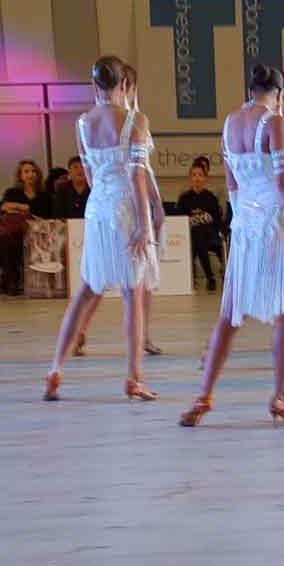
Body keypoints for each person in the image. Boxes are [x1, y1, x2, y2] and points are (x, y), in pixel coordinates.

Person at [181, 65, 284, 428]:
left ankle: (204, 394)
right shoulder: (275, 122)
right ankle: (282, 397)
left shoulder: (230, 122)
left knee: (230, 314)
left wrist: (243, 220)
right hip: (275, 223)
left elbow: (232, 183)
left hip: (245, 224)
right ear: (279, 92)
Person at [43, 57, 163, 403]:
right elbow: (137, 175)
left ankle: (55, 368)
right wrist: (145, 223)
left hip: (97, 209)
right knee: (132, 295)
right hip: (126, 208)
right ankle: (134, 377)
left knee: (85, 290)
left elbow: (90, 174)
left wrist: (105, 198)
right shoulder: (135, 120)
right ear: (124, 85)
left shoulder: (83, 123)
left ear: (95, 85)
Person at [0, 160, 42, 296]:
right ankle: (11, 280)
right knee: (8, 241)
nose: (31, 174)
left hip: (38, 232)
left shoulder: (43, 195)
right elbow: (5, 207)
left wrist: (18, 209)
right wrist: (24, 207)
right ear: (20, 176)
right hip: (16, 231)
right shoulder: (13, 192)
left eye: (33, 171)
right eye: (26, 172)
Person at [177, 156, 226, 289]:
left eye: (200, 175)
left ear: (205, 178)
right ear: (190, 177)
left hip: (209, 235)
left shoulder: (210, 198)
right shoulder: (184, 198)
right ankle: (209, 277)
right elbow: (178, 220)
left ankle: (205, 277)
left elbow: (217, 220)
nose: (197, 178)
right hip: (189, 236)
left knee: (200, 235)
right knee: (197, 236)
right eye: (194, 175)